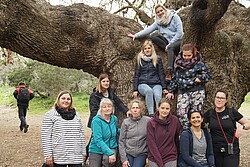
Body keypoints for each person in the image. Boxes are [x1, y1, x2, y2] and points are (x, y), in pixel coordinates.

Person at [128, 4, 184, 80]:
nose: (160, 13)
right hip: (167, 41)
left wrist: (170, 44)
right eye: (157, 12)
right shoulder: (158, 22)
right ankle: (169, 51)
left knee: (170, 47)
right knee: (153, 36)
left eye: (161, 10)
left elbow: (179, 33)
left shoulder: (174, 17)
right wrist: (136, 35)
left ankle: (170, 71)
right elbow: (148, 30)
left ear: (165, 10)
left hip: (178, 40)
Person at [166, 43, 211, 129]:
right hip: (183, 90)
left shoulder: (199, 63)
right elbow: (175, 77)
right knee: (181, 113)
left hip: (196, 90)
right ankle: (187, 130)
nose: (186, 57)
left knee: (196, 113)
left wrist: (200, 78)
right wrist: (171, 90)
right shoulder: (178, 63)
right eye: (184, 55)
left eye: (189, 55)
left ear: (193, 54)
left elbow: (207, 75)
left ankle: (197, 131)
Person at [86, 73, 129, 161]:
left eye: (107, 81)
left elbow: (118, 103)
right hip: (98, 120)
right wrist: (100, 120)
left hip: (109, 119)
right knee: (95, 139)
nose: (106, 83)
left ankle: (108, 155)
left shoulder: (110, 93)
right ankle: (85, 156)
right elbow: (93, 110)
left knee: (111, 135)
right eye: (104, 81)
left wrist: (126, 111)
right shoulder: (95, 95)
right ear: (100, 82)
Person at [203, 90, 250, 167]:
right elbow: (198, 124)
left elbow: (248, 124)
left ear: (226, 100)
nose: (219, 100)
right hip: (215, 150)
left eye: (222, 98)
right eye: (217, 97)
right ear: (214, 98)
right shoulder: (209, 113)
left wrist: (242, 127)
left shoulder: (231, 112)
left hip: (231, 150)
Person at [41, 90, 86, 167]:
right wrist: (48, 155)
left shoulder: (76, 115)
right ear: (58, 100)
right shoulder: (50, 115)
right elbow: (46, 137)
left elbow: (81, 134)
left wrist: (83, 152)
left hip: (76, 155)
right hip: (59, 155)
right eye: (63, 98)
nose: (66, 101)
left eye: (68, 99)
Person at [133, 40, 167, 117]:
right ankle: (151, 114)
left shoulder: (157, 58)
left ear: (152, 49)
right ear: (143, 50)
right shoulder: (140, 59)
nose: (147, 50)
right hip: (143, 83)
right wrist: (135, 89)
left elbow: (161, 73)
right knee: (149, 91)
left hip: (156, 83)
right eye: (145, 49)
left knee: (158, 95)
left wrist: (164, 87)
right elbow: (136, 74)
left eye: (149, 48)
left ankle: (160, 114)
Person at [147, 98, 181, 167]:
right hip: (154, 156)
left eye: (167, 109)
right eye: (162, 108)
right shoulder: (151, 123)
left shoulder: (174, 120)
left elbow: (176, 138)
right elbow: (151, 144)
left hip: (170, 156)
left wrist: (177, 153)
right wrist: (160, 163)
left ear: (170, 109)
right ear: (158, 108)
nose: (164, 111)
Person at [119, 99, 150, 167]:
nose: (135, 110)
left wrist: (149, 157)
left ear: (141, 109)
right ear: (130, 110)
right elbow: (121, 141)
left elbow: (151, 139)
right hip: (128, 153)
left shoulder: (147, 121)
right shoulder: (126, 122)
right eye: (133, 108)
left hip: (141, 153)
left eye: (137, 108)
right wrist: (124, 159)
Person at [89, 98, 118, 167]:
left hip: (111, 147)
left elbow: (115, 130)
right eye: (104, 107)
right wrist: (110, 153)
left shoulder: (114, 119)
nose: (107, 109)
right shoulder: (96, 121)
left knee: (108, 160)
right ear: (101, 109)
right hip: (96, 149)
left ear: (112, 108)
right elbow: (98, 140)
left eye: (109, 106)